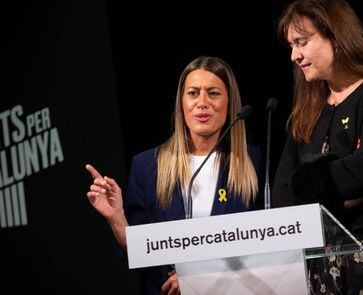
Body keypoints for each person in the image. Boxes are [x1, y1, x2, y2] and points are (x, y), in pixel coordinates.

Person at [272, 0, 363, 295]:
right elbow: (283, 192)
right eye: (291, 46)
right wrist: (332, 188)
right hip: (323, 260)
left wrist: (313, 184)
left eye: (302, 42)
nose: (294, 55)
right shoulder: (305, 114)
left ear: (335, 37)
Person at [86, 56, 262, 295]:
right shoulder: (148, 166)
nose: (202, 103)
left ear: (230, 103)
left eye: (213, 93)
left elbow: (263, 246)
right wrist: (117, 218)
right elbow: (140, 259)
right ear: (181, 103)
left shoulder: (253, 162)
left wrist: (199, 277)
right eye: (193, 93)